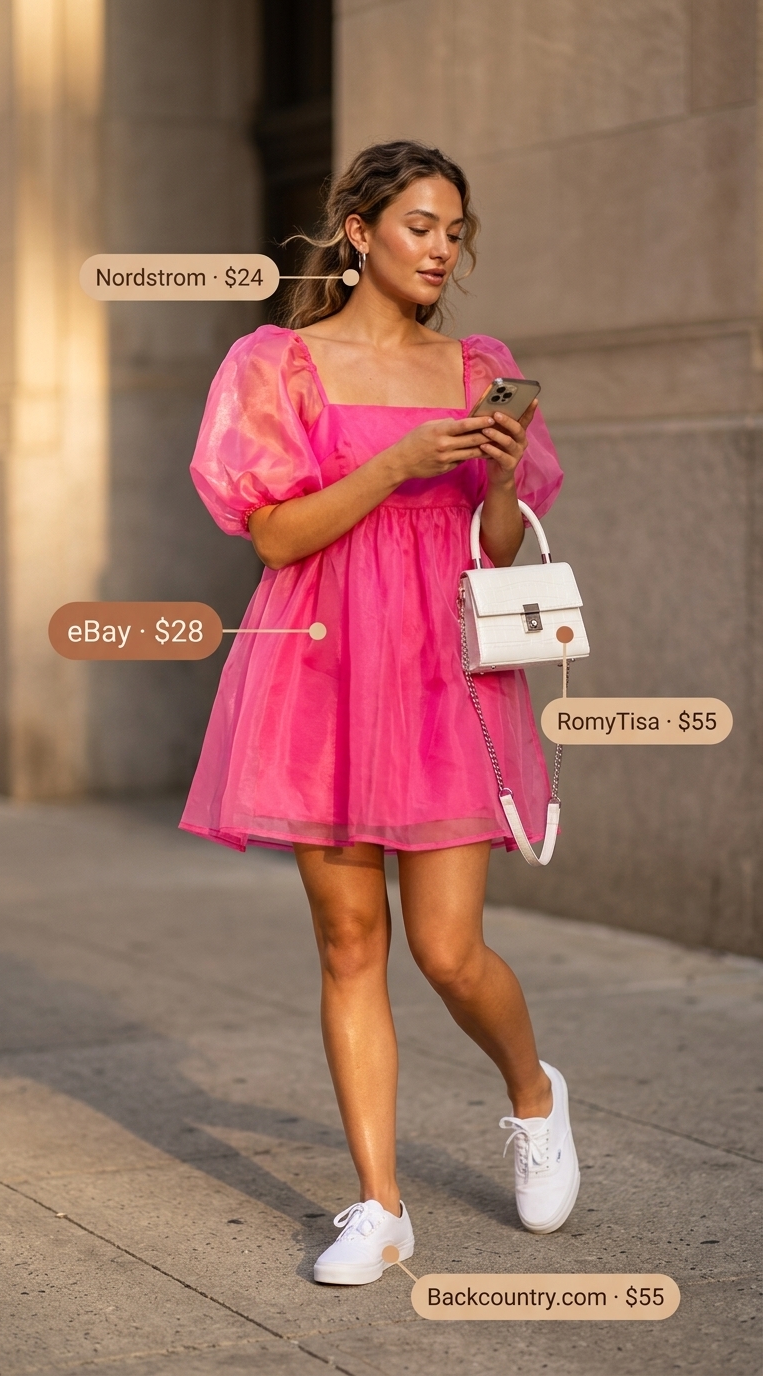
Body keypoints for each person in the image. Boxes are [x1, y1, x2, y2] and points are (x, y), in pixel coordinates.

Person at [180, 140, 579, 1285]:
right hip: (318, 670)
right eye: (420, 225)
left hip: (440, 673)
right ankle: (380, 1202)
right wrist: (398, 461)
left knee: (448, 950)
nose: (443, 250)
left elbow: (498, 553)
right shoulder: (278, 365)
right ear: (358, 231)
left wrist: (495, 476)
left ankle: (535, 1093)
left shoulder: (478, 366)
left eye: (456, 231)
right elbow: (274, 535)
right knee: (350, 942)